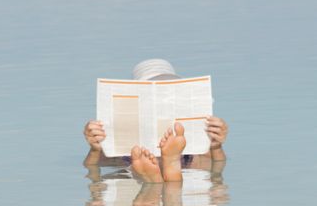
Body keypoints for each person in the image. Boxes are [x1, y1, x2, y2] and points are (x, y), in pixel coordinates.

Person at [83, 59, 229, 182]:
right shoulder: (125, 151)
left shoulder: (192, 148)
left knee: (133, 180)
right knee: (182, 186)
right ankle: (168, 170)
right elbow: (217, 170)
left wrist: (216, 147)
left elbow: (92, 172)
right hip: (181, 171)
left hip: (140, 171)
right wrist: (95, 148)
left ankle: (156, 177)